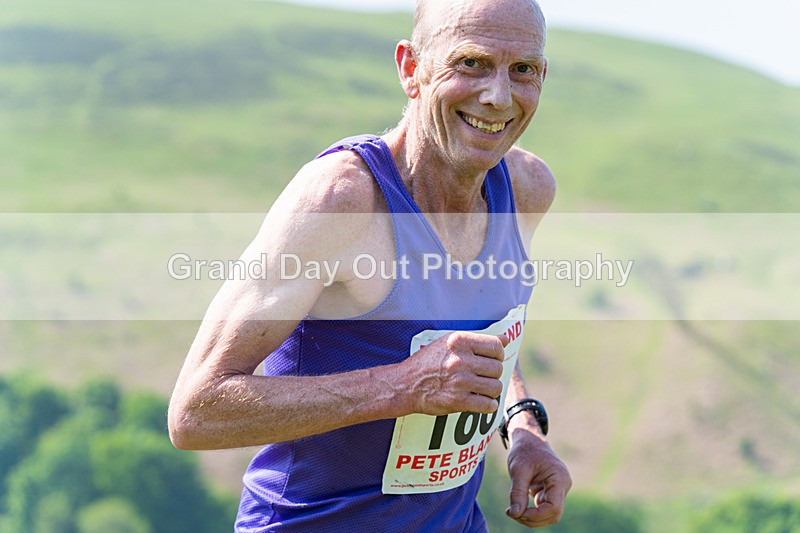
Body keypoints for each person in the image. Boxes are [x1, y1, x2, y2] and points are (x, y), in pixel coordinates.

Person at [168, 0, 571, 530]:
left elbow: (488, 327)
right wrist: (402, 387)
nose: (498, 96)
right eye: (471, 63)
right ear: (411, 68)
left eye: (523, 70)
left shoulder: (525, 189)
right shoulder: (342, 200)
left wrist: (520, 426)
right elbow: (197, 412)